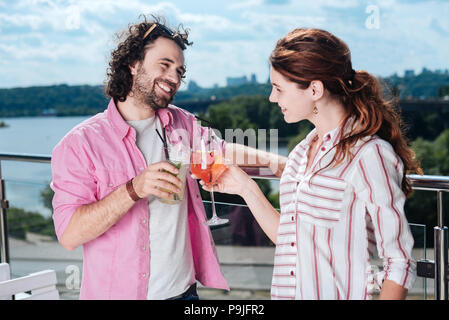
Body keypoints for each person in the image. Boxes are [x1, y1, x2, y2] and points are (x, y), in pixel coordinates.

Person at [50, 15, 285, 300]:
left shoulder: (182, 123)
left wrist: (286, 165)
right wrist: (134, 189)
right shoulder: (80, 144)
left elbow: (221, 151)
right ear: (133, 64)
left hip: (184, 293)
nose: (175, 78)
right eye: (165, 65)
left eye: (179, 71)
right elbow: (69, 234)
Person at [197, 28, 423, 300]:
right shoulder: (301, 154)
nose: (272, 98)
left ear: (315, 89)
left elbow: (399, 262)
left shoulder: (369, 154)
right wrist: (246, 188)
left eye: (278, 88)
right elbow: (289, 241)